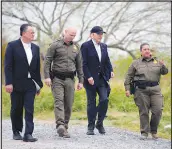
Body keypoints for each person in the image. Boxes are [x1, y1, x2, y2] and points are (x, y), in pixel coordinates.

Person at [4, 24, 43, 142]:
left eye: (33, 32)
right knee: (16, 108)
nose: (33, 34)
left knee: (29, 108)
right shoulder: (12, 46)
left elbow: (36, 68)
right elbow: (8, 66)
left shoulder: (36, 48)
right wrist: (8, 83)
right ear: (24, 33)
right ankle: (16, 131)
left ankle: (28, 134)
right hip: (16, 83)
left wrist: (38, 85)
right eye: (31, 32)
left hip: (31, 83)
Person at [44, 27, 84, 138]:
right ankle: (60, 125)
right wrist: (47, 77)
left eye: (74, 35)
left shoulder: (76, 47)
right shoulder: (55, 45)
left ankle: (65, 127)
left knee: (69, 104)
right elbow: (47, 62)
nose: (73, 36)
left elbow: (79, 65)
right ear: (65, 33)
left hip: (70, 79)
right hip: (57, 79)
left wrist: (81, 81)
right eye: (71, 34)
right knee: (59, 101)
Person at [124, 43, 168, 140]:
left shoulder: (157, 61)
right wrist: (127, 89)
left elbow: (165, 72)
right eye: (145, 49)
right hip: (141, 91)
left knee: (158, 110)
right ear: (141, 51)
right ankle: (144, 132)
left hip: (155, 90)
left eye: (148, 49)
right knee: (144, 111)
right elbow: (128, 76)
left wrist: (163, 65)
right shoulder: (135, 63)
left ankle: (153, 131)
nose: (147, 51)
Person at [81, 26, 114, 135]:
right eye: (98, 33)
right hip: (90, 79)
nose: (101, 35)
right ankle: (90, 126)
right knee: (91, 103)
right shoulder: (85, 46)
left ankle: (99, 123)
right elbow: (84, 63)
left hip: (102, 79)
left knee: (104, 100)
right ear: (92, 35)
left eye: (101, 34)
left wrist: (111, 71)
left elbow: (107, 61)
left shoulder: (104, 46)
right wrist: (88, 76)